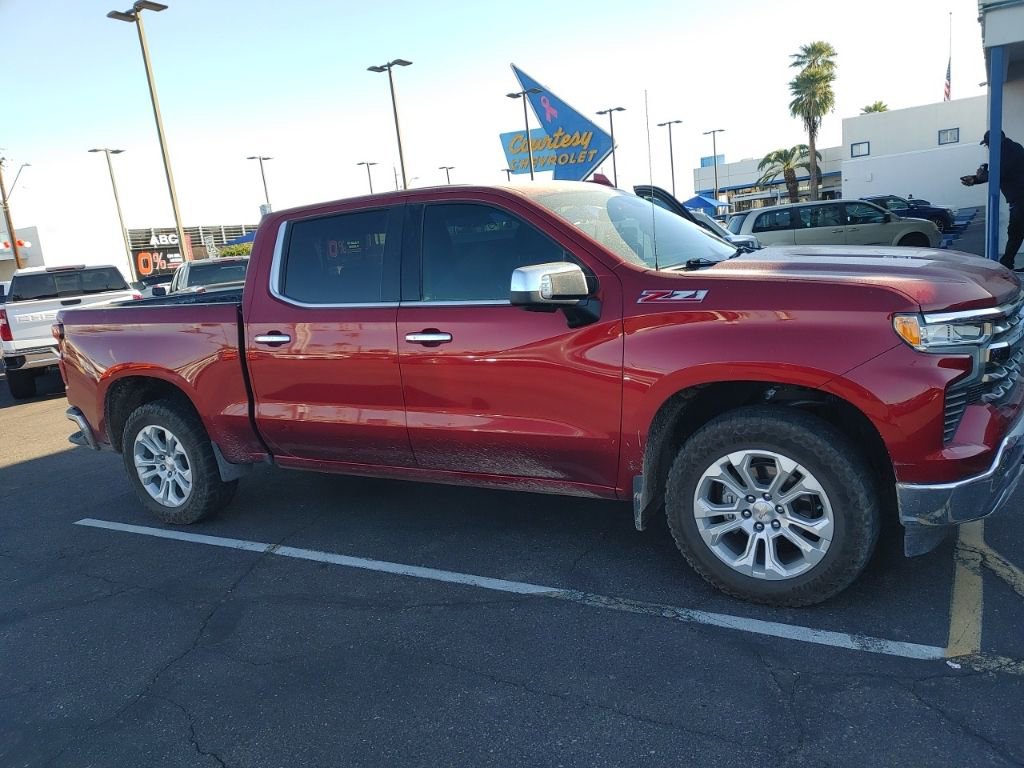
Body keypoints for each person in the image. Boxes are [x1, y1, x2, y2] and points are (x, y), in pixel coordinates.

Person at [961, 130, 1024, 270]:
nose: (988, 147)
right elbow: (998, 173)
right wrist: (975, 179)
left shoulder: (1011, 150)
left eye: (988, 144)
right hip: (1017, 199)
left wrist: (981, 176)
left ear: (995, 142)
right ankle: (1006, 263)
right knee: (1015, 232)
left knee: (1016, 232)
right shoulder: (1008, 149)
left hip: (1021, 198)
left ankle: (1006, 263)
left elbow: (1000, 172)